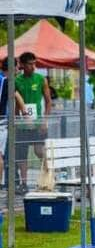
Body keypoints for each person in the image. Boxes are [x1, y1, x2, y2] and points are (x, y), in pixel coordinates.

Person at [15, 51, 52, 194]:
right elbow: (15, 103)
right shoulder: (17, 81)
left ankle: (50, 175)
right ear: (23, 65)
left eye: (34, 63)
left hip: (37, 124)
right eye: (30, 64)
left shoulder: (41, 79)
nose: (33, 66)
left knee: (39, 151)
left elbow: (49, 102)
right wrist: (17, 119)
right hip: (22, 124)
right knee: (21, 153)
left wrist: (44, 120)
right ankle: (24, 184)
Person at [0, 57, 26, 187]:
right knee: (0, 156)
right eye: (17, 66)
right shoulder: (7, 81)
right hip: (1, 122)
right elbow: (17, 97)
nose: (18, 69)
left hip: (5, 121)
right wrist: (26, 113)